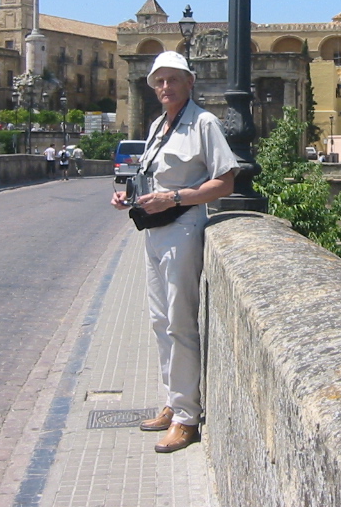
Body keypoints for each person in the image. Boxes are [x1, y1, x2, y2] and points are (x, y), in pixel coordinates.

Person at [111, 51, 238, 454]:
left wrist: (175, 198)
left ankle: (186, 418)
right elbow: (150, 174)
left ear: (189, 82)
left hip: (184, 228)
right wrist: (129, 197)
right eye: (159, 81)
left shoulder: (204, 123)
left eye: (173, 80)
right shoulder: (156, 126)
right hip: (154, 231)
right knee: (158, 320)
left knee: (180, 322)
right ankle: (172, 400)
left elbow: (226, 182)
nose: (165, 88)